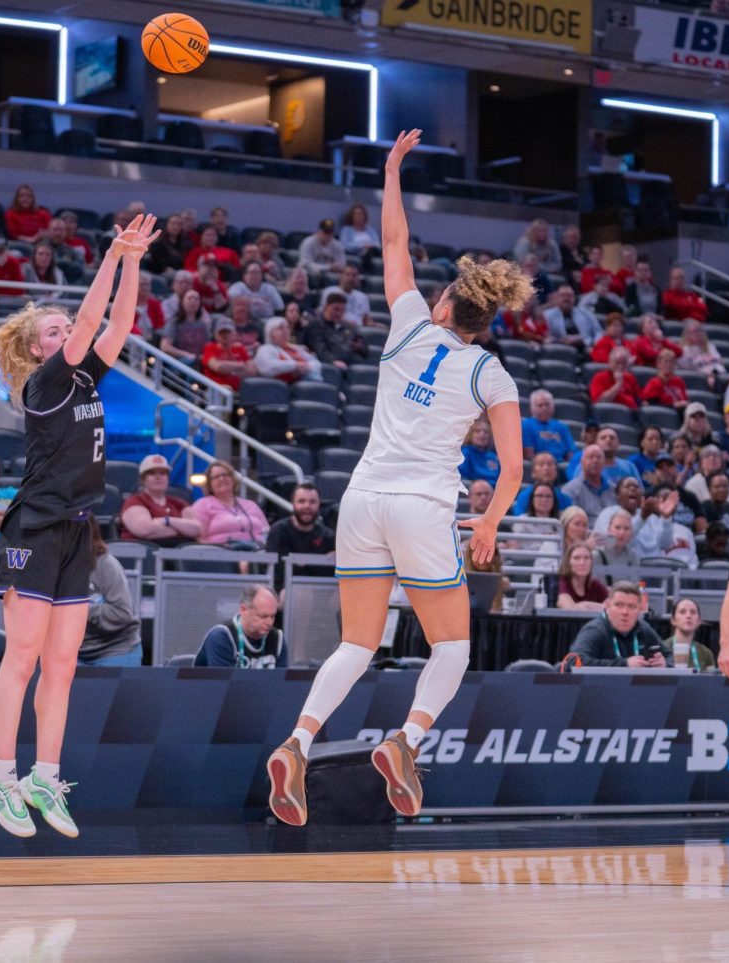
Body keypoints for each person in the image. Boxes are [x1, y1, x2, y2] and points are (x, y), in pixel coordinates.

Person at [266, 130, 528, 827]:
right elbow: (512, 467)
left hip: (362, 498)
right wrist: (493, 519)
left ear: (445, 305)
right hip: (420, 505)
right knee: (452, 644)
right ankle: (406, 740)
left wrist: (390, 173)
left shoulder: (408, 324)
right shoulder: (490, 371)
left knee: (358, 641)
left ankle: (298, 740)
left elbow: (393, 245)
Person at [0, 212, 157, 838]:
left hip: (78, 530)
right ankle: (1, 772)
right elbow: (89, 322)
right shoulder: (45, 384)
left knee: (63, 665)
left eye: (63, 328)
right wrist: (110, 254)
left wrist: (132, 261)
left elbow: (120, 323)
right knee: (21, 660)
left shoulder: (84, 375)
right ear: (37, 349)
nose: (66, 333)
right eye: (51, 330)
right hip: (34, 530)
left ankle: (43, 776)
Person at [78, 516, 143, 667]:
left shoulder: (106, 565)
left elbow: (121, 613)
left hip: (115, 649)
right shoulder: (52, 566)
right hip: (72, 651)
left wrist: (79, 608)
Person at [568, 582, 672, 668]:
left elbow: (670, 657)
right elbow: (574, 661)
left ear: (639, 610)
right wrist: (624, 664)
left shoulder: (643, 628)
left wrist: (665, 664)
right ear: (608, 606)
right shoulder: (595, 630)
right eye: (619, 605)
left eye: (631, 606)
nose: (625, 612)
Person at [119, 453, 201, 546]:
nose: (158, 477)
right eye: (152, 473)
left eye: (162, 473)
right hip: (144, 556)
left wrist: (167, 521)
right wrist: (182, 530)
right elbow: (145, 530)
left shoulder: (179, 503)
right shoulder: (135, 501)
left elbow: (197, 529)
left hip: (178, 556)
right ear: (143, 479)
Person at [194, 585, 286, 668]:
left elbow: (282, 685)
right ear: (243, 610)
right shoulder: (221, 637)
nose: (269, 622)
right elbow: (223, 685)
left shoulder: (278, 638)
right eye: (263, 616)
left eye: (273, 616)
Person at [192, 459, 270, 548]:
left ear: (233, 479)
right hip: (221, 555)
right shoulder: (202, 505)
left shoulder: (251, 505)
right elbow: (199, 538)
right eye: (216, 477)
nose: (222, 478)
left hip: (257, 552)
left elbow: (267, 532)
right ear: (210, 484)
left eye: (225, 475)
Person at [302, 292, 368, 370]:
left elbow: (365, 350)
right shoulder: (315, 325)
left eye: (342, 310)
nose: (339, 313)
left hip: (349, 363)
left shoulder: (349, 326)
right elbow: (319, 348)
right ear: (326, 307)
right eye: (336, 309)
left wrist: (359, 347)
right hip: (327, 365)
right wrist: (332, 361)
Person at [254, 316, 321, 384]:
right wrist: (295, 366)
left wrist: (306, 367)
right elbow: (267, 368)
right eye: (280, 328)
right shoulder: (266, 349)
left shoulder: (296, 348)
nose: (285, 330)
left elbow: (316, 364)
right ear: (271, 333)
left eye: (287, 327)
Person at [567, 426, 639, 486]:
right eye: (603, 438)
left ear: (618, 443)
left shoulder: (630, 467)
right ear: (596, 443)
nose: (608, 440)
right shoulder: (585, 466)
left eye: (612, 437)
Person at [562, 444, 615, 523]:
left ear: (604, 463)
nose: (595, 461)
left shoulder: (613, 489)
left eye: (598, 457)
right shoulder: (569, 490)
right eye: (590, 457)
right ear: (582, 462)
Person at [521, 389, 575, 464]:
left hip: (560, 467)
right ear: (532, 408)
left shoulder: (561, 426)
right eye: (540, 405)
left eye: (547, 404)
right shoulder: (527, 425)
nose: (544, 408)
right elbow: (528, 454)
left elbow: (570, 452)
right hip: (539, 466)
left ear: (553, 406)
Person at [159, 289, 211, 366]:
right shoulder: (174, 323)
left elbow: (208, 346)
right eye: (190, 298)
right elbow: (165, 346)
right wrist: (186, 355)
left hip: (199, 362)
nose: (193, 301)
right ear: (182, 302)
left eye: (196, 299)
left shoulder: (203, 325)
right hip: (180, 363)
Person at [201, 316, 254, 391]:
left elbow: (252, 371)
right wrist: (241, 365)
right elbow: (218, 367)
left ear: (234, 333)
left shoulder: (239, 348)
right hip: (216, 391)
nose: (224, 335)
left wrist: (227, 368)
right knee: (226, 389)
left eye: (228, 332)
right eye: (221, 332)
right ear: (216, 334)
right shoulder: (210, 348)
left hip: (240, 391)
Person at [665, 598, 716, 671]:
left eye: (693, 612)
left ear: (699, 621)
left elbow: (712, 681)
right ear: (673, 620)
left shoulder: (706, 653)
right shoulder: (662, 649)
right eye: (682, 612)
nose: (688, 616)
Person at [544, 285, 601, 350]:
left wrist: (594, 344)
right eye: (563, 295)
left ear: (574, 298)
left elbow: (598, 332)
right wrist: (561, 340)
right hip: (559, 349)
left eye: (569, 295)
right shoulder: (547, 315)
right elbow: (546, 337)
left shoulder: (586, 313)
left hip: (586, 347)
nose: (566, 298)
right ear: (557, 297)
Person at [556, 541, 608, 610]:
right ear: (568, 562)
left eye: (586, 558)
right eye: (576, 558)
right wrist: (588, 605)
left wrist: (586, 605)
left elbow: (612, 606)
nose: (582, 562)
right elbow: (570, 608)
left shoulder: (595, 585)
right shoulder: (561, 582)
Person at [588, 346, 641, 410]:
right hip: (608, 414)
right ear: (610, 362)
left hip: (630, 415)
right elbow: (600, 402)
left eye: (624, 363)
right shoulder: (599, 377)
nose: (620, 366)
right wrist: (618, 384)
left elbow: (639, 401)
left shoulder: (630, 378)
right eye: (617, 362)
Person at [678, 319, 725, 388]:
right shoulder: (684, 349)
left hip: (714, 371)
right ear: (687, 334)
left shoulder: (709, 346)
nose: (696, 333)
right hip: (695, 376)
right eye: (693, 331)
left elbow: (718, 360)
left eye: (699, 331)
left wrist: (711, 374)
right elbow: (684, 366)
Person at [339, 204, 380, 271]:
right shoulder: (346, 230)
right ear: (352, 216)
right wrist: (362, 245)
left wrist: (369, 246)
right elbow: (344, 245)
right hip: (356, 252)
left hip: (372, 252)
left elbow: (377, 244)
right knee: (366, 254)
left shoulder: (371, 230)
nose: (359, 217)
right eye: (356, 214)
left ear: (364, 216)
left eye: (361, 214)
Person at [459, 419, 500, 484]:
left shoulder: (493, 456)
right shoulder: (465, 452)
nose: (482, 434)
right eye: (477, 431)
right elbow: (463, 476)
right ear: (470, 434)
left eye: (486, 432)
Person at [132, 270, 164, 339]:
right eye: (142, 284)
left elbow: (160, 324)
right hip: (131, 338)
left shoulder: (155, 303)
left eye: (147, 285)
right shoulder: (129, 301)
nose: (145, 287)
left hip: (150, 338)